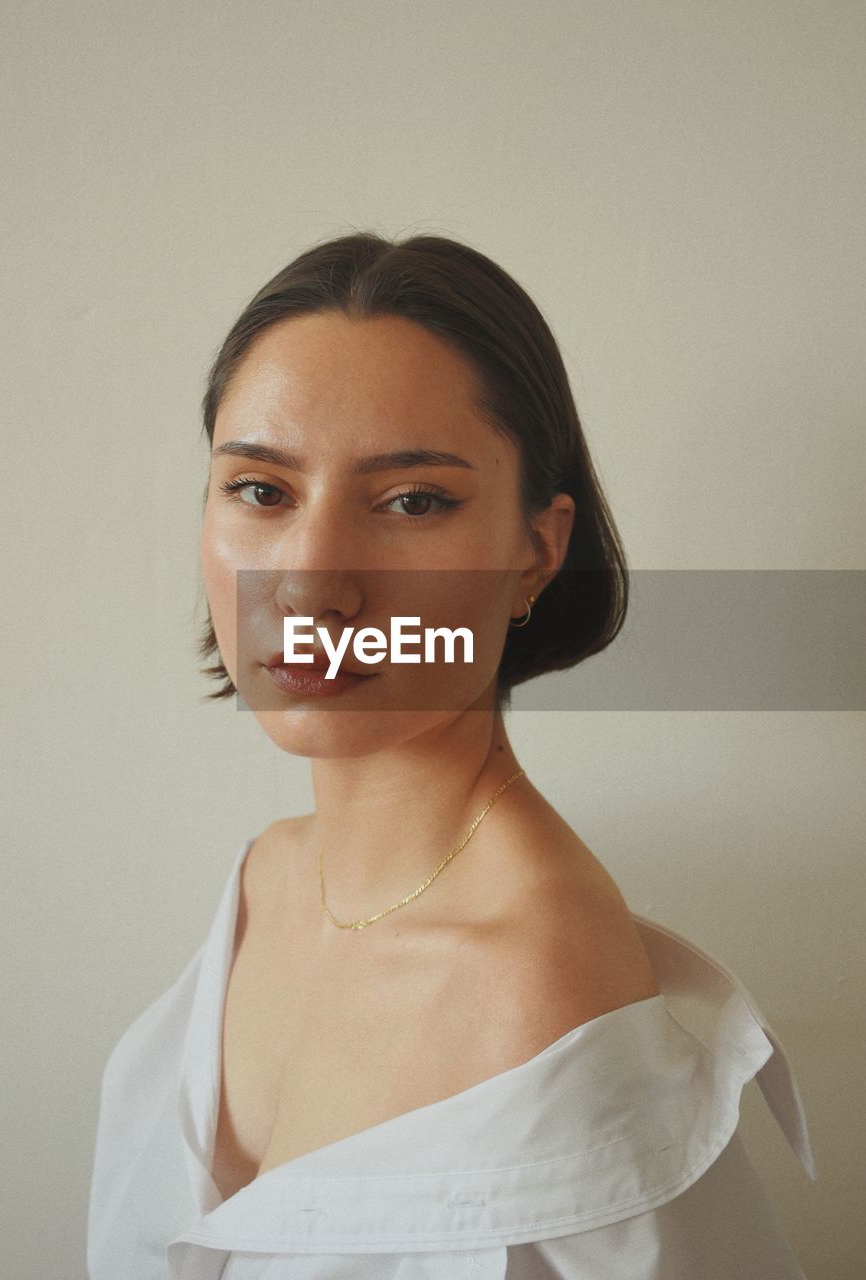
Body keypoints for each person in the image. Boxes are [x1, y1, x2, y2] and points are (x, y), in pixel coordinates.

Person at [87, 232, 817, 1279]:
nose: (309, 586)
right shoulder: (264, 879)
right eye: (261, 489)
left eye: (413, 501)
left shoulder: (539, 982)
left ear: (537, 548)